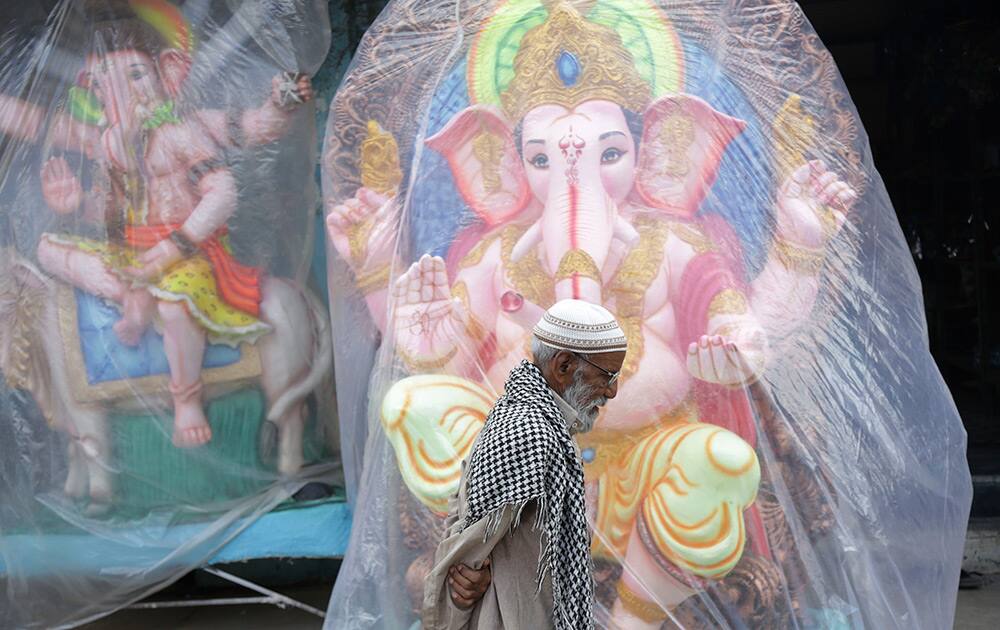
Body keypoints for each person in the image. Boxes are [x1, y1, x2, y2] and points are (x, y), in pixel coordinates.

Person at [422, 299, 627, 630]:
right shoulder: (528, 430)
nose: (612, 391)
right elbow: (470, 540)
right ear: (563, 366)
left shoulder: (539, 419)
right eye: (607, 375)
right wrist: (463, 583)